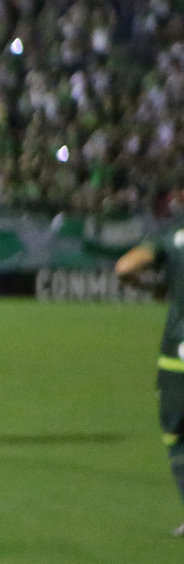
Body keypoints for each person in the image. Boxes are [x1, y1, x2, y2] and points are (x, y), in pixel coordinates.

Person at [113, 213, 184, 534]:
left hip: (178, 355)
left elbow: (125, 267)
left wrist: (148, 287)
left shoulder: (171, 238)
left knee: (177, 434)